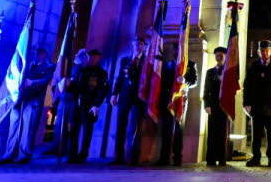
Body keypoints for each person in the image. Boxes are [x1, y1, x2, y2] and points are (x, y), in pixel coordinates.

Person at [0, 47, 53, 164]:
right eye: (36, 52)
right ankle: (9, 154)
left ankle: (24, 154)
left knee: (28, 129)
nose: (37, 55)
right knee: (13, 126)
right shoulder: (25, 64)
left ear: (45, 55)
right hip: (18, 99)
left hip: (33, 100)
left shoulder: (49, 67)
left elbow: (45, 81)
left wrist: (32, 82)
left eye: (40, 53)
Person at [155, 43, 197, 166]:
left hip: (181, 100)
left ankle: (177, 158)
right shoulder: (167, 65)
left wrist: (185, 82)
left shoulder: (190, 65)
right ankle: (164, 158)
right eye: (175, 50)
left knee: (179, 130)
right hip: (168, 100)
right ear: (173, 52)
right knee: (166, 130)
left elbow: (194, 81)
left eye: (180, 50)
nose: (177, 52)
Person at [108, 37, 146, 165]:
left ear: (144, 47)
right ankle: (119, 156)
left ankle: (134, 157)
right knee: (120, 126)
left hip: (139, 98)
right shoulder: (125, 60)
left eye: (141, 44)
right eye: (136, 44)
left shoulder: (147, 61)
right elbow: (119, 78)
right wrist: (114, 94)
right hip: (124, 97)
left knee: (136, 128)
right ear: (132, 45)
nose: (138, 46)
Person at [67, 49, 107, 163]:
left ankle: (83, 155)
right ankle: (72, 155)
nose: (92, 59)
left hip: (89, 104)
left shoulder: (101, 73)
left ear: (99, 58)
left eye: (95, 57)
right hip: (76, 103)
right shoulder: (80, 69)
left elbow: (101, 90)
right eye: (91, 56)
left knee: (87, 131)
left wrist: (96, 105)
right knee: (73, 130)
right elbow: (73, 87)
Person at [203, 46, 229, 166]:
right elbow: (206, 90)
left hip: (224, 106)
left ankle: (222, 159)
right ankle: (211, 159)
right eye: (217, 56)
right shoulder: (210, 72)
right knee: (212, 133)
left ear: (225, 57)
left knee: (223, 133)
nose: (218, 58)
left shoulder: (228, 71)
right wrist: (206, 105)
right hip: (212, 106)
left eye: (221, 56)